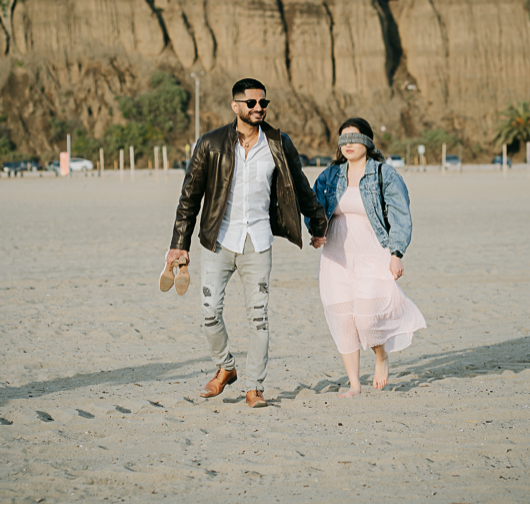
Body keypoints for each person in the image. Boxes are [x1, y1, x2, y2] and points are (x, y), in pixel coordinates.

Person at [163, 78, 328, 409]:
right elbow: (189, 196)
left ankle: (255, 386)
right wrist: (179, 243)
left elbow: (300, 185)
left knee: (259, 317)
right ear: (235, 106)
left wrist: (318, 223)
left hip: (258, 241)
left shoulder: (279, 143)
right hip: (217, 240)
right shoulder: (209, 144)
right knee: (209, 312)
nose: (258, 108)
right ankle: (226, 367)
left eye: (263, 103)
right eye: (251, 103)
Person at [309, 118, 426, 397]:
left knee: (366, 318)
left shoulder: (384, 174)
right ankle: (354, 384)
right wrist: (316, 230)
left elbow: (400, 215)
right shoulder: (330, 175)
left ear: (369, 142)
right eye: (343, 138)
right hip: (336, 254)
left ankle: (381, 355)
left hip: (373, 251)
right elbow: (313, 206)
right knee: (343, 317)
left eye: (355, 137)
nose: (348, 143)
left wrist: (397, 253)